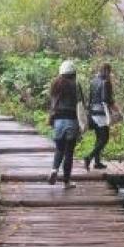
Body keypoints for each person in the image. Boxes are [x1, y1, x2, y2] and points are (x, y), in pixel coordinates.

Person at [48, 60, 84, 189]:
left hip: (58, 121)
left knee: (59, 149)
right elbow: (81, 104)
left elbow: (52, 103)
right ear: (73, 73)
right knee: (69, 152)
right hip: (71, 121)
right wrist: (83, 122)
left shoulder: (55, 84)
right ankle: (66, 182)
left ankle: (54, 170)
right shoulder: (76, 85)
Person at [85, 63, 118, 170]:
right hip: (102, 115)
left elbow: (90, 98)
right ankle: (89, 157)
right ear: (107, 71)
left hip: (93, 113)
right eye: (109, 71)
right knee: (104, 138)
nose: (110, 74)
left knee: (99, 138)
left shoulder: (93, 81)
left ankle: (97, 162)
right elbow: (107, 100)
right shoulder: (105, 82)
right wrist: (117, 111)